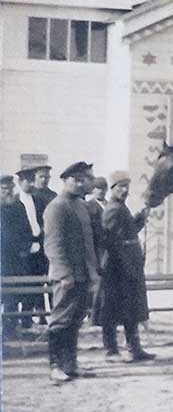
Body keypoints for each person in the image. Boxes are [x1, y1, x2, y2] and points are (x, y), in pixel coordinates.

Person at [43, 161, 101, 383]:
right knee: (60, 320)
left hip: (83, 275)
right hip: (67, 277)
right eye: (82, 179)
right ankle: (55, 366)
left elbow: (88, 244)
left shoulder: (80, 205)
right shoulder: (57, 207)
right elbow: (54, 245)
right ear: (70, 180)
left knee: (75, 321)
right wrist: (64, 274)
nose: (86, 183)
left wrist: (93, 273)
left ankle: (70, 364)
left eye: (87, 178)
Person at [93, 171, 154, 362]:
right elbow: (108, 238)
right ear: (112, 188)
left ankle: (134, 348)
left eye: (126, 186)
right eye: (120, 186)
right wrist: (122, 261)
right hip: (117, 268)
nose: (125, 190)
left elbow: (127, 231)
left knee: (131, 307)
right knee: (111, 309)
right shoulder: (113, 209)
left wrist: (140, 218)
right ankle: (111, 350)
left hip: (128, 265)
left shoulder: (121, 207)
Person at [1, 175, 35, 336]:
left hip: (15, 259)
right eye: (3, 188)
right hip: (2, 258)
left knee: (13, 294)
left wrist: (25, 247)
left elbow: (27, 230)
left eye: (10, 187)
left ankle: (11, 328)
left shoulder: (18, 206)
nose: (7, 191)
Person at [15, 167, 48, 322]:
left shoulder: (38, 199)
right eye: (27, 181)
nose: (30, 184)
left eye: (31, 180)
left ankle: (40, 316)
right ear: (21, 182)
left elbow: (42, 220)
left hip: (39, 245)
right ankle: (24, 318)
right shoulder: (15, 200)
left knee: (39, 281)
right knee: (24, 284)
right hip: (23, 249)